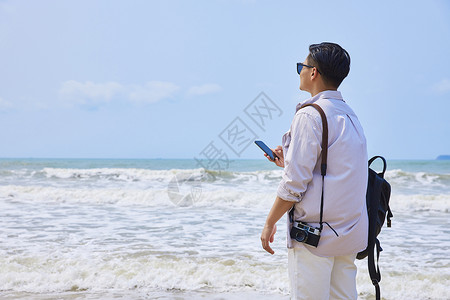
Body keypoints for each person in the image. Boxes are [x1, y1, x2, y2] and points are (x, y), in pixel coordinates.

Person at [260, 42, 368, 300]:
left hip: (314, 235)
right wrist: (288, 161)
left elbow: (294, 183)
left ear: (313, 72)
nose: (299, 71)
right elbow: (335, 170)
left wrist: (270, 222)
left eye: (301, 66)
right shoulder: (349, 114)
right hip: (349, 232)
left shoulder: (310, 115)